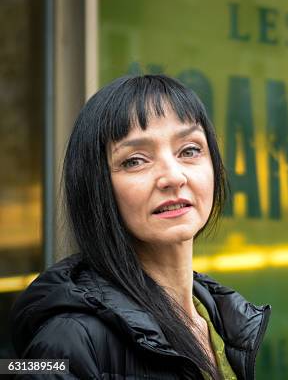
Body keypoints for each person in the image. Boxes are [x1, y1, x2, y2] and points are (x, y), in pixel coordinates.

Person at [10, 75, 271, 379]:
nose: (173, 177)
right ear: (96, 187)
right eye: (135, 160)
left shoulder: (221, 322)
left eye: (189, 150)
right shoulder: (68, 341)